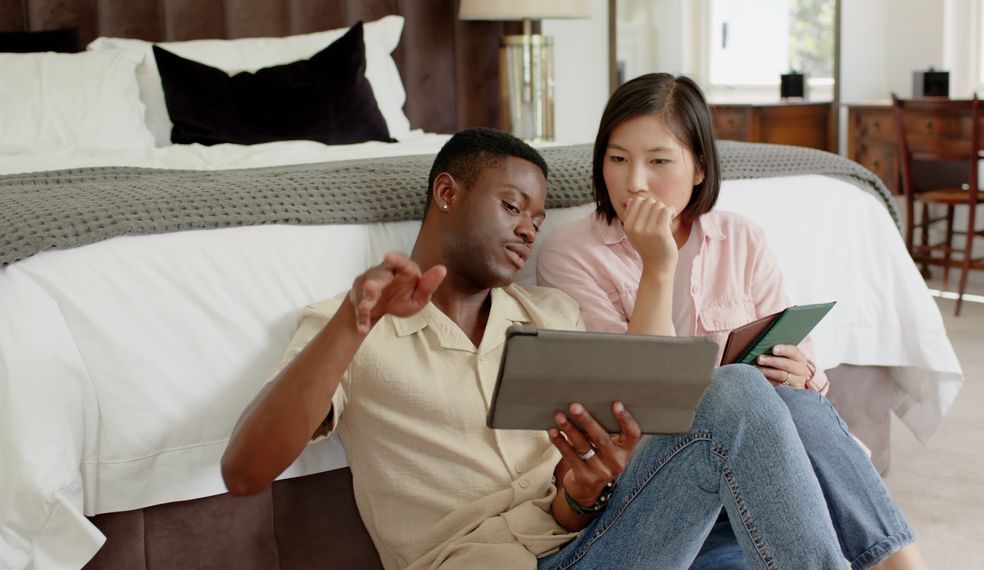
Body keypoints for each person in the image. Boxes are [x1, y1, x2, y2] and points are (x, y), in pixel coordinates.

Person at [222, 127, 872, 570]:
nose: (529, 229)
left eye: (537, 217)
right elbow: (245, 472)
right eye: (512, 207)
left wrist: (586, 488)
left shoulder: (550, 314)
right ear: (447, 193)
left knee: (748, 403)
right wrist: (350, 327)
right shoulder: (353, 326)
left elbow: (576, 497)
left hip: (598, 542)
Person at [536, 73, 927, 569]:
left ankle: (900, 562)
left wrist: (799, 372)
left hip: (751, 486)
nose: (634, 181)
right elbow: (638, 401)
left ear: (699, 167)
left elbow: (804, 369)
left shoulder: (742, 239)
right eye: (617, 159)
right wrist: (658, 266)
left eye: (658, 161)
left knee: (796, 401)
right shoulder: (573, 253)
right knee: (738, 387)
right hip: (656, 494)